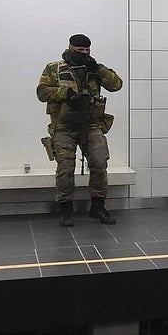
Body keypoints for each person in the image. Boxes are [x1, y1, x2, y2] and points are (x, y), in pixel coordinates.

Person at [36, 33, 124, 226]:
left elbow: (117, 85)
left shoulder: (93, 68)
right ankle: (66, 209)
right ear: (70, 48)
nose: (84, 54)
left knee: (100, 162)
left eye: (87, 50)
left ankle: (98, 207)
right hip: (64, 127)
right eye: (80, 51)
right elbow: (41, 92)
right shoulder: (54, 68)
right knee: (66, 168)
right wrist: (64, 93)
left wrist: (98, 69)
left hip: (91, 124)